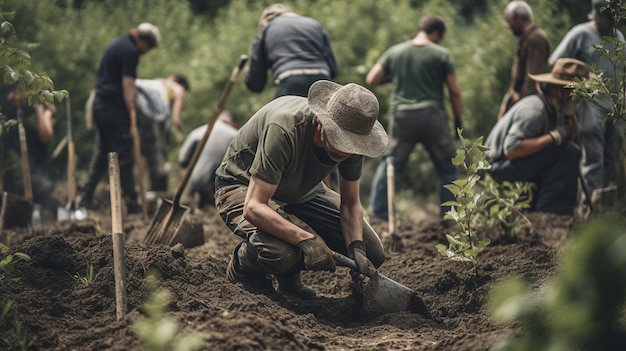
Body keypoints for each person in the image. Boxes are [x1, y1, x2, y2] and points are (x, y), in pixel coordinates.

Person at [215, 81, 388, 299]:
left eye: (352, 145)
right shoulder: (284, 128)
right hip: (242, 185)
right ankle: (244, 268)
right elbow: (254, 206)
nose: (347, 150)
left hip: (301, 191)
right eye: (341, 141)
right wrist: (306, 239)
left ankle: (289, 276)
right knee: (281, 252)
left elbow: (351, 203)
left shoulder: (353, 141)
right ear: (321, 123)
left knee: (374, 252)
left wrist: (357, 249)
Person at [366, 15, 462, 221]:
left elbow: (372, 78)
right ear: (436, 33)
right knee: (447, 168)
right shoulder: (441, 54)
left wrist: (396, 76)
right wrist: (458, 122)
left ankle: (378, 217)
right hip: (432, 116)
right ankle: (450, 220)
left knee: (391, 164)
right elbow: (455, 91)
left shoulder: (396, 51)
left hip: (402, 117)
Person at [485, 58, 590, 215]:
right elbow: (512, 149)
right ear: (561, 92)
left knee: (569, 150)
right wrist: (553, 137)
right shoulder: (535, 111)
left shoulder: (558, 108)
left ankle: (541, 208)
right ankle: (552, 214)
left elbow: (571, 140)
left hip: (517, 163)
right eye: (576, 95)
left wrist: (572, 119)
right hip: (500, 165)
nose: (579, 100)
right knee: (568, 152)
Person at [77, 23, 161, 213]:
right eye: (148, 48)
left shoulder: (119, 44)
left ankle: (85, 197)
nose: (146, 52)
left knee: (103, 152)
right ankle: (131, 202)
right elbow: (128, 84)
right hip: (112, 106)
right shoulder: (130, 51)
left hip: (100, 104)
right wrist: (132, 109)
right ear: (144, 42)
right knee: (125, 152)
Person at [549, 0, 625, 209]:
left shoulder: (619, 37)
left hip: (615, 108)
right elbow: (555, 63)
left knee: (611, 155)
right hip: (589, 104)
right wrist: (581, 81)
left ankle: (602, 206)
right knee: (593, 158)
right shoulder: (580, 33)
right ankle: (588, 210)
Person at [244, 3, 338, 98]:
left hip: (289, 81)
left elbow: (255, 84)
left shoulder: (267, 29)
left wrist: (247, 75)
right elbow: (333, 69)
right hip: (322, 80)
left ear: (266, 21)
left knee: (278, 112)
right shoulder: (314, 24)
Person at [0, 84, 57, 211]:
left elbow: (46, 135)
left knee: (45, 189)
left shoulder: (33, 109)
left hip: (31, 168)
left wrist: (42, 111)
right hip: (10, 169)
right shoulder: (5, 104)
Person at [136, 74, 190, 192]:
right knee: (157, 161)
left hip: (137, 114)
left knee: (143, 158)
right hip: (149, 120)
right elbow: (176, 119)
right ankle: (157, 192)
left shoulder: (156, 83)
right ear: (183, 85)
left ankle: (143, 191)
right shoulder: (179, 89)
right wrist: (185, 134)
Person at [497, 1, 550, 119]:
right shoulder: (527, 38)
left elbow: (533, 78)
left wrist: (523, 108)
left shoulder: (536, 38)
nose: (508, 25)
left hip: (527, 107)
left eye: (510, 20)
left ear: (519, 17)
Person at [177, 110, 238, 209]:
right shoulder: (236, 135)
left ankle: (190, 203)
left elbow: (183, 160)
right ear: (234, 123)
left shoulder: (199, 131)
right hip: (219, 188)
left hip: (195, 182)